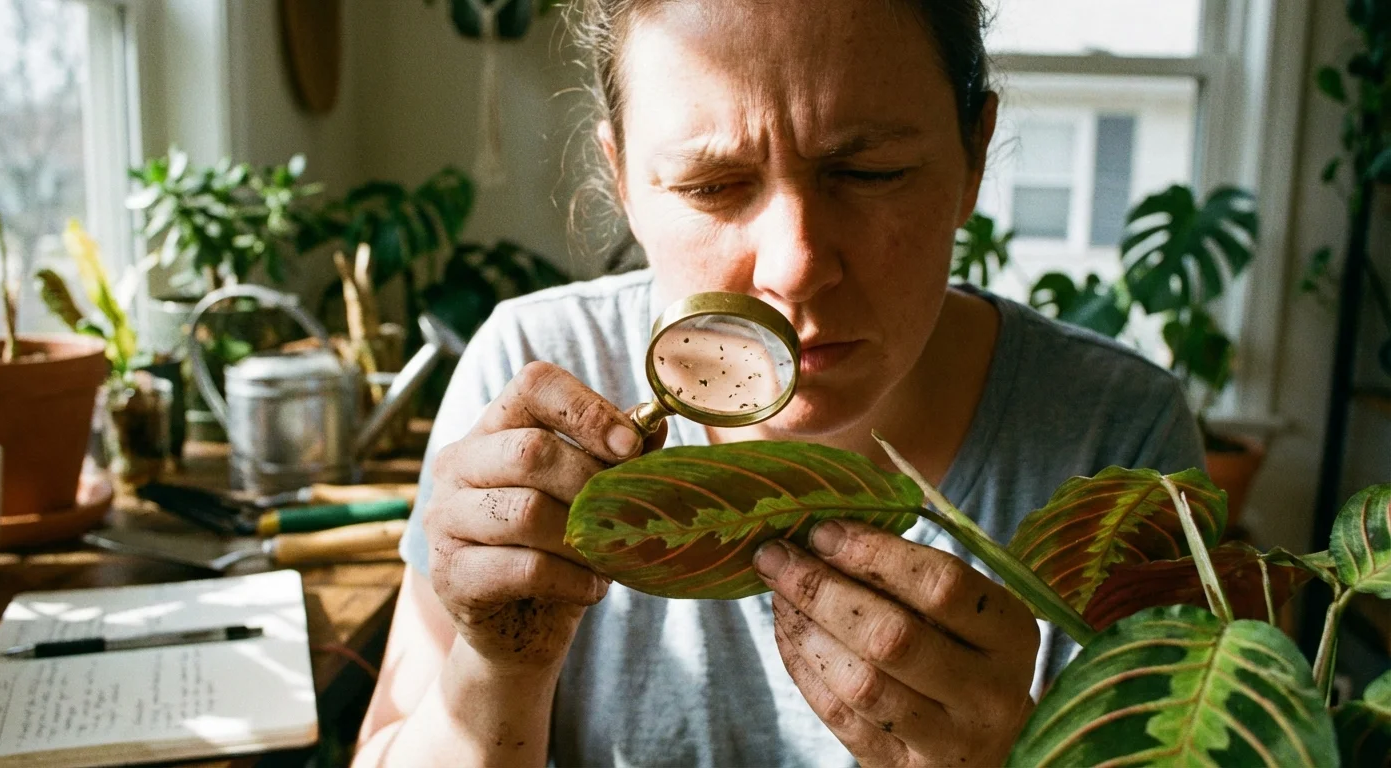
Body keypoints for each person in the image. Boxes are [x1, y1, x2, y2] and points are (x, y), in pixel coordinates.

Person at [353, 0, 1204, 765]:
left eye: (869, 173)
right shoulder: (533, 375)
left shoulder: (1118, 447)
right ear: (623, 183)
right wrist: (497, 668)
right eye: (710, 186)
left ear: (972, 155)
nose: (796, 269)